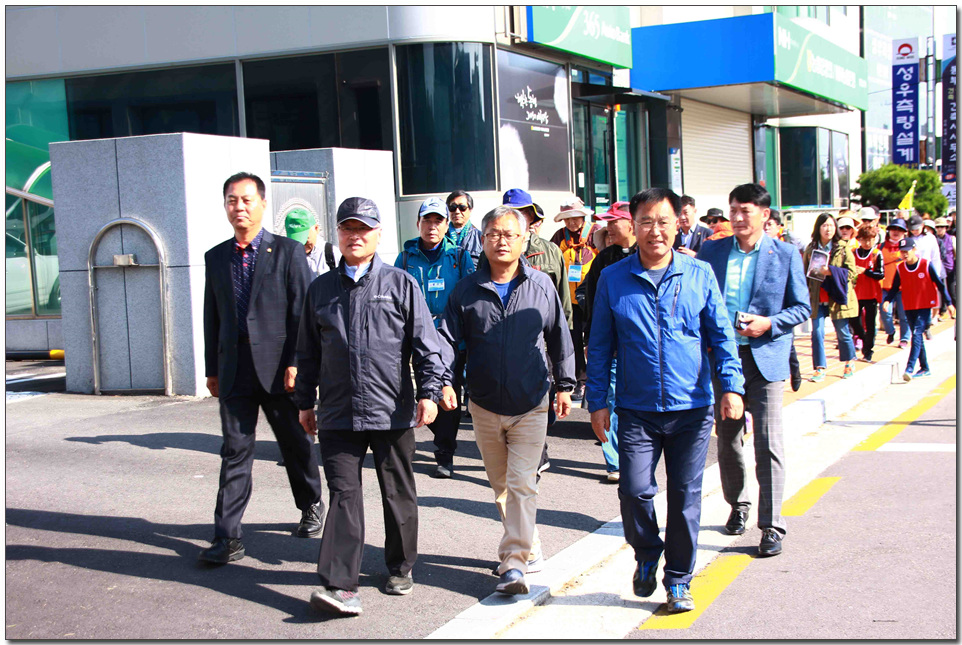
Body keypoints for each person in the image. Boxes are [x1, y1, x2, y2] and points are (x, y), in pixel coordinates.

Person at [586, 187, 745, 614]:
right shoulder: (613, 278)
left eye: (663, 222)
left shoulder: (699, 274)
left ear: (678, 225)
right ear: (632, 226)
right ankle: (646, 551)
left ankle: (678, 580)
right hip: (635, 409)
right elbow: (599, 346)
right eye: (646, 222)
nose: (655, 231)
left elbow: (721, 336)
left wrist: (732, 387)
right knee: (635, 490)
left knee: (685, 497)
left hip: (691, 408)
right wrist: (597, 401)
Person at [296, 197, 444, 616]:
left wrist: (430, 392)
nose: (355, 236)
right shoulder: (320, 289)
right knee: (344, 494)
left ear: (378, 234)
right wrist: (304, 403)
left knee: (397, 492)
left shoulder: (400, 284)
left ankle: (400, 566)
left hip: (390, 409)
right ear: (337, 234)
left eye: (363, 229)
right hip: (338, 411)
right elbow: (307, 352)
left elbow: (426, 344)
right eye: (348, 228)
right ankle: (341, 585)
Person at [437, 205, 575, 596]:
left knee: (521, 483)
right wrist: (444, 382)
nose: (502, 241)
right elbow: (447, 341)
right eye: (495, 234)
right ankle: (529, 542)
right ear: (482, 239)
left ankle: (513, 563)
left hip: (531, 401)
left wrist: (565, 384)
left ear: (524, 240)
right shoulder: (466, 290)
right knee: (501, 486)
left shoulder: (541, 285)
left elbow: (559, 336)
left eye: (511, 234)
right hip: (483, 404)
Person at [200, 172, 324, 564]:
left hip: (279, 369)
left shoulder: (288, 252)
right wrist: (212, 368)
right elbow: (212, 316)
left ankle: (311, 503)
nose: (239, 207)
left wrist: (296, 363)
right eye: (232, 200)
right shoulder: (215, 257)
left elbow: (302, 312)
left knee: (295, 443)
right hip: (234, 369)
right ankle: (227, 537)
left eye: (246, 200)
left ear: (263, 204)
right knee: (235, 450)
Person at [697, 183, 810, 557]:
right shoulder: (712, 251)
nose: (737, 217)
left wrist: (769, 323)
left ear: (765, 215)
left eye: (745, 210)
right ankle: (739, 504)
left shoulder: (785, 254)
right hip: (723, 358)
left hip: (765, 358)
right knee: (728, 438)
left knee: (767, 440)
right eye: (733, 210)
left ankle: (772, 524)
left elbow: (802, 307)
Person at [395, 196, 475, 478]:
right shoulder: (406, 257)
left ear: (446, 225)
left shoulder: (459, 256)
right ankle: (428, 435)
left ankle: (444, 452)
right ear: (418, 223)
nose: (432, 226)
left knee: (449, 392)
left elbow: (470, 295)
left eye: (438, 221)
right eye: (426, 220)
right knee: (422, 390)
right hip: (416, 335)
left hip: (451, 337)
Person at [581, 201, 636, 483]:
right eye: (608, 222)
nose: (609, 227)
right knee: (610, 402)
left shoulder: (649, 256)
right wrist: (589, 338)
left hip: (639, 349)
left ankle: (636, 458)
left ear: (631, 223)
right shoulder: (603, 260)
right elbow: (591, 301)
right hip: (610, 347)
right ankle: (614, 462)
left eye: (614, 222)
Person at [550, 195, 601, 402]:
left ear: (583, 216)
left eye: (575, 217)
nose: (571, 222)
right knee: (573, 341)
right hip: (569, 300)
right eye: (567, 218)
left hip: (592, 298)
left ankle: (596, 379)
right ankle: (580, 380)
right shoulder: (559, 236)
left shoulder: (596, 233)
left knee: (594, 339)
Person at [882, 237, 955, 380]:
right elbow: (895, 287)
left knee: (915, 334)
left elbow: (940, 285)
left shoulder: (926, 265)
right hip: (909, 305)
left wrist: (949, 303)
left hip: (924, 305)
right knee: (918, 337)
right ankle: (924, 367)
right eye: (902, 252)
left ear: (914, 250)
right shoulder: (900, 268)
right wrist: (887, 300)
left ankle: (909, 368)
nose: (904, 254)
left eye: (907, 251)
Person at [803, 212, 858, 382]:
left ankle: (849, 361)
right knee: (817, 333)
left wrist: (831, 272)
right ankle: (819, 368)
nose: (828, 229)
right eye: (825, 225)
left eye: (832, 225)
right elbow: (803, 274)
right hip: (817, 298)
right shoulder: (811, 249)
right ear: (818, 228)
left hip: (837, 298)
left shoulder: (843, 248)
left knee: (842, 332)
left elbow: (852, 273)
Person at [762, 209, 803, 391]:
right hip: (765, 306)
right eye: (764, 224)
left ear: (779, 227)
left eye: (770, 224)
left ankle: (795, 371)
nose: (766, 228)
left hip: (783, 306)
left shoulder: (786, 250)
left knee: (788, 342)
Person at [850, 225, 885, 362]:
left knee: (870, 324)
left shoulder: (876, 254)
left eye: (870, 239)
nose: (867, 243)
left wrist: (866, 271)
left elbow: (881, 274)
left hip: (871, 294)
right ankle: (864, 339)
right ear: (859, 240)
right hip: (856, 293)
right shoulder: (853, 252)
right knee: (854, 320)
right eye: (864, 239)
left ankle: (868, 350)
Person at [878, 218, 911, 348]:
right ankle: (890, 331)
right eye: (893, 229)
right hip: (885, 286)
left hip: (903, 287)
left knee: (904, 315)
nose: (896, 232)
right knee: (885, 313)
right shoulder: (881, 247)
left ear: (904, 232)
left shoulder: (908, 247)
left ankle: (904, 338)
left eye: (899, 229)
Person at [285, 208, 339, 276]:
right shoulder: (286, 257)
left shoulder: (332, 254)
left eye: (305, 239)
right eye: (295, 241)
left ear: (316, 229)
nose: (301, 245)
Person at [444, 190, 484, 265]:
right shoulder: (441, 237)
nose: (457, 211)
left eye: (462, 207)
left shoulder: (480, 238)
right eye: (453, 207)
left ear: (470, 210)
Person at [934, 217, 956, 318]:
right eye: (938, 227)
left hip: (950, 268)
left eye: (942, 227)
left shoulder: (951, 239)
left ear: (946, 228)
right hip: (939, 268)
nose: (940, 229)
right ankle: (942, 311)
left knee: (952, 290)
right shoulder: (933, 239)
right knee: (941, 290)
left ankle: (956, 309)